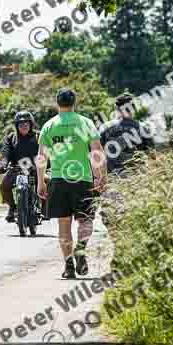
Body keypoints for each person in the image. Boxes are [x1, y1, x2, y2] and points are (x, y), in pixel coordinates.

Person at [37, 89, 107, 279]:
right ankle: (81, 249)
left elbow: (42, 158)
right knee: (85, 220)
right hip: (82, 180)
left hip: (58, 180)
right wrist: (102, 176)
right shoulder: (85, 123)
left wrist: (40, 182)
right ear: (74, 102)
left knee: (64, 223)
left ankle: (68, 266)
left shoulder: (49, 126)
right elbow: (97, 152)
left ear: (57, 103)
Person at [98, 93, 155, 226]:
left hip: (111, 178)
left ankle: (117, 244)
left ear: (116, 108)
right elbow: (152, 156)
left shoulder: (105, 128)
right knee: (135, 214)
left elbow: (96, 155)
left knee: (110, 217)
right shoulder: (143, 128)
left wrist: (99, 177)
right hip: (135, 179)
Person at [0, 111, 40, 223]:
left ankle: (44, 209)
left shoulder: (39, 136)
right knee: (4, 186)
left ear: (31, 124)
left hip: (36, 169)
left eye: (26, 123)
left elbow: (46, 153)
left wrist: (43, 165)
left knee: (48, 182)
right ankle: (13, 207)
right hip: (17, 169)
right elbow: (5, 153)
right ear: (16, 125)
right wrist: (3, 165)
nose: (24, 125)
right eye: (20, 124)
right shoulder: (11, 138)